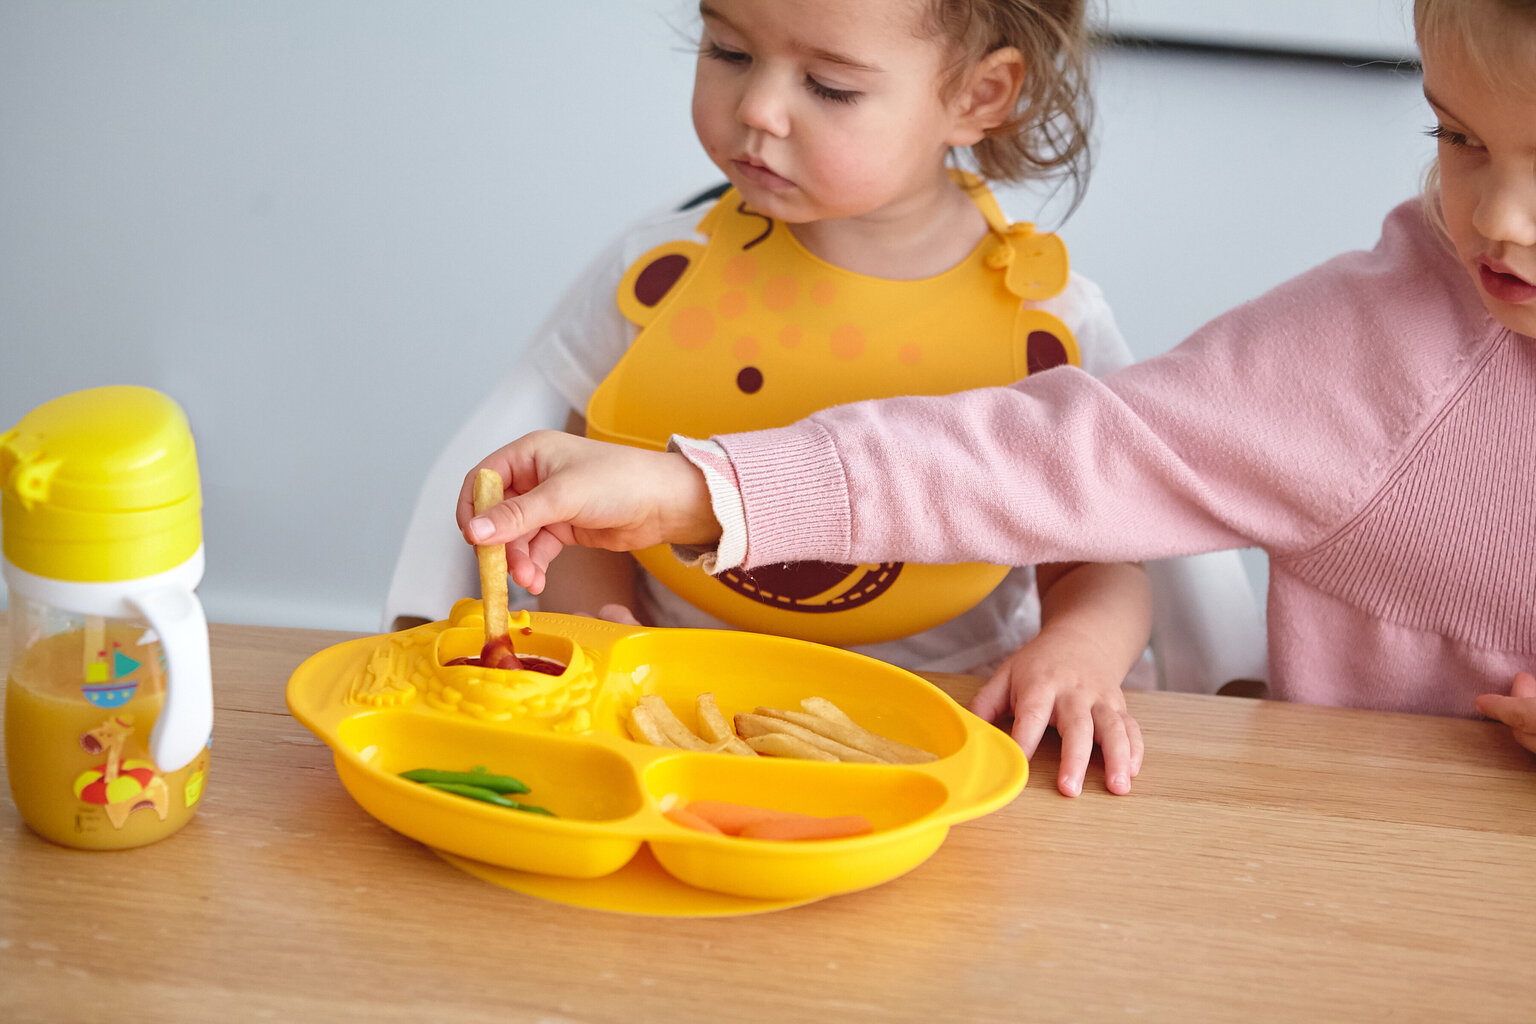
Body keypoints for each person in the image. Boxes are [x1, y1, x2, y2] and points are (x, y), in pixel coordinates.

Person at [459, 0, 1536, 764]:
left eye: (830, 82)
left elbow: (1100, 556)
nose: (1496, 220)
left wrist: (1078, 648)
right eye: (1456, 136)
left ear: (984, 95)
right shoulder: (1359, 357)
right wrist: (677, 519)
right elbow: (1067, 465)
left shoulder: (1044, 320)